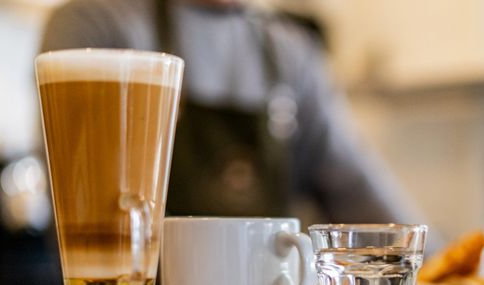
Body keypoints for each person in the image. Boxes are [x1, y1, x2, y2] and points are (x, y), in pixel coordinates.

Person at [40, 0, 441, 243]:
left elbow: (358, 190)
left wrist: (446, 272)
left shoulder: (292, 53)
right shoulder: (96, 24)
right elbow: (77, 190)